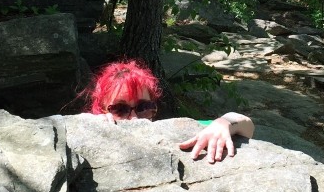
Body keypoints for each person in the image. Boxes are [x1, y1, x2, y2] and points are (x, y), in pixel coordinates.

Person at [86, 59, 255, 163]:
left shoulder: (177, 133)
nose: (134, 118)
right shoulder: (89, 133)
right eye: (120, 109)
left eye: (143, 107)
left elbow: (247, 125)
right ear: (101, 110)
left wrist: (223, 123)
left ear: (154, 107)